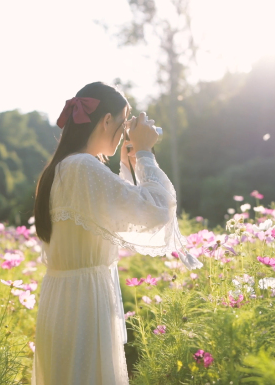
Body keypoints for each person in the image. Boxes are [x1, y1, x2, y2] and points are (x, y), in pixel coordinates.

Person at [31, 81, 202, 385]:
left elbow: (124, 210)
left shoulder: (62, 168)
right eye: (124, 123)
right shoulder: (82, 167)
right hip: (84, 302)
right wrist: (146, 153)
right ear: (106, 120)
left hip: (64, 300)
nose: (125, 132)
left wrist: (131, 161)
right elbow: (156, 210)